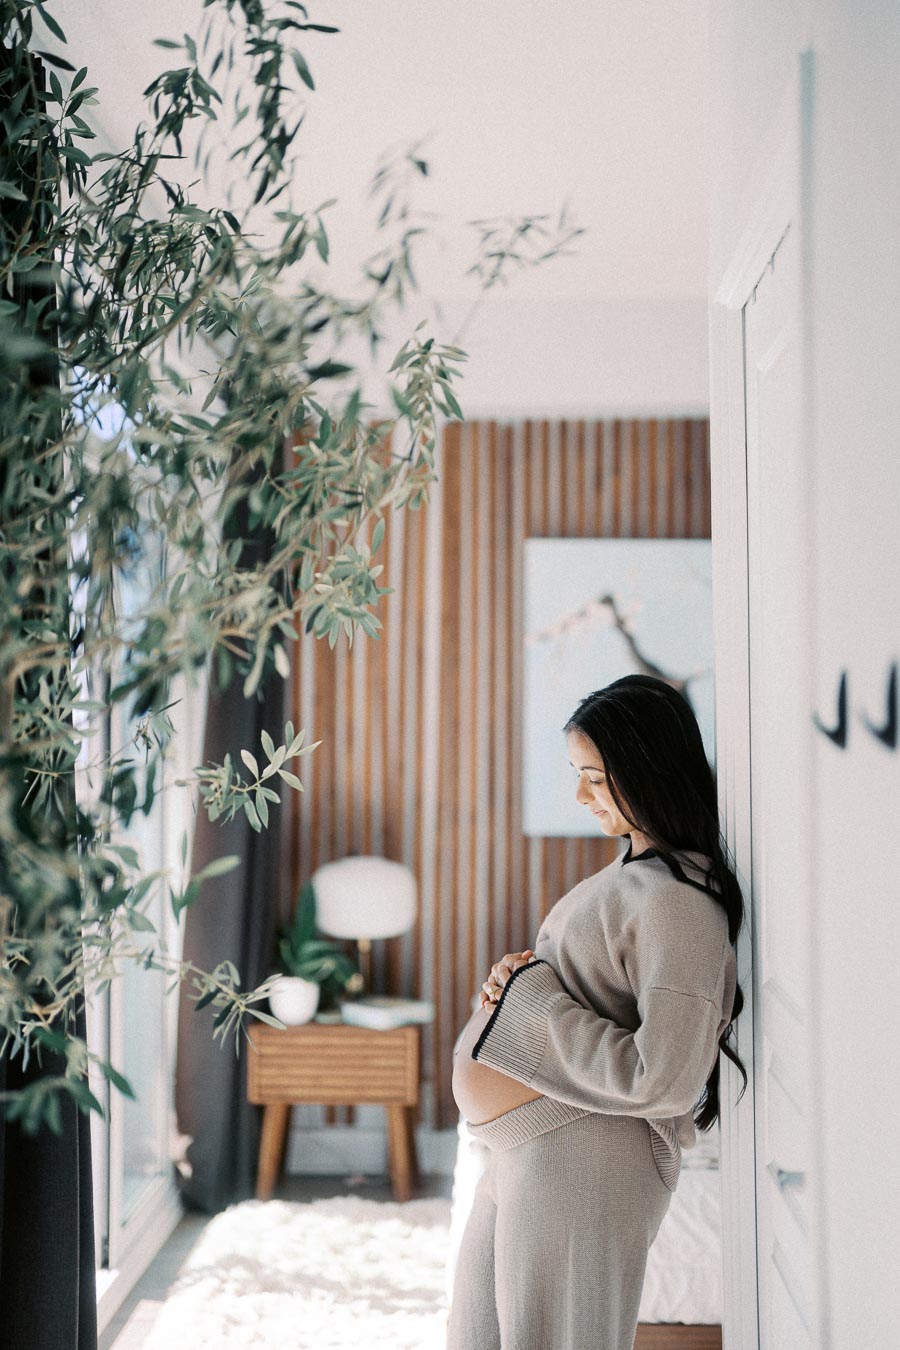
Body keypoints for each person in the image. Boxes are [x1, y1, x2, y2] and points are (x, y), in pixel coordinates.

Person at [446, 673, 748, 1350]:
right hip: (533, 1149)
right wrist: (519, 982)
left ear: (644, 770)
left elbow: (665, 1078)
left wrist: (528, 1001)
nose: (581, 795)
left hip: (585, 1159)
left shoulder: (680, 904)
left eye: (595, 777)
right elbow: (581, 994)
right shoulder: (638, 877)